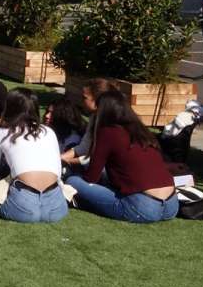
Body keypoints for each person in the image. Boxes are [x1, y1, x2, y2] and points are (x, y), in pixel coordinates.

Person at [64, 90, 179, 223]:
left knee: (73, 181)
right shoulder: (141, 130)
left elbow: (92, 177)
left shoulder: (108, 132)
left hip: (142, 207)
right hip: (171, 204)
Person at [0, 89, 68, 223]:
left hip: (23, 208)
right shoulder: (49, 131)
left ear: (9, 108)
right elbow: (57, 173)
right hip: (57, 208)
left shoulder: (2, 132)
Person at [60, 77, 115, 167]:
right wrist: (61, 158)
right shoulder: (94, 117)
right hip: (98, 167)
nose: (82, 101)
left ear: (98, 99)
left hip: (110, 171)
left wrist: (68, 161)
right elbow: (84, 147)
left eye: (84, 97)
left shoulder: (111, 122)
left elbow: (99, 158)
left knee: (71, 177)